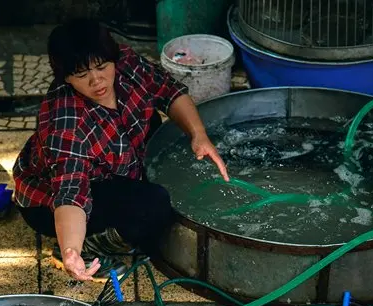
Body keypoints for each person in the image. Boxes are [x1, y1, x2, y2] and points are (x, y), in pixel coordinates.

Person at [12, 18, 229, 282]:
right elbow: (71, 195)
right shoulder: (66, 124)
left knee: (154, 122)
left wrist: (199, 135)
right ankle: (86, 247)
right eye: (82, 75)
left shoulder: (126, 62)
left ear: (112, 59)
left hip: (116, 161)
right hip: (54, 202)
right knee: (153, 207)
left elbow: (168, 91)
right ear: (66, 78)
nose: (96, 80)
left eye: (102, 67)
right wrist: (71, 249)